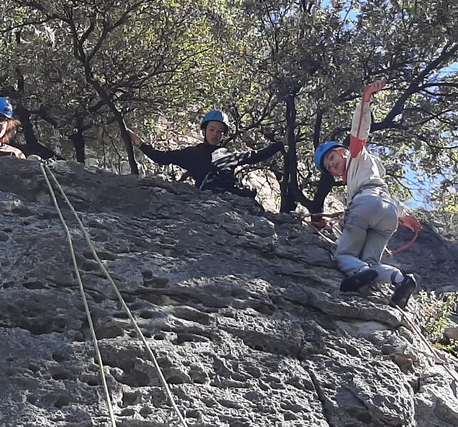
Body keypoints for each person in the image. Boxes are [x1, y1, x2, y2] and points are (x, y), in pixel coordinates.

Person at [315, 81, 418, 306]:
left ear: (342, 152)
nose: (332, 165)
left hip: (365, 205)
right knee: (372, 261)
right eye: (329, 167)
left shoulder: (356, 155)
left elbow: (359, 131)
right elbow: (382, 195)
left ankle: (359, 271)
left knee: (344, 256)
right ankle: (400, 279)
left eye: (332, 158)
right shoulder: (369, 171)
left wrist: (365, 100)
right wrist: (403, 216)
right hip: (388, 213)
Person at [126, 110, 282, 198]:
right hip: (209, 198)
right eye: (212, 130)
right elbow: (161, 157)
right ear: (204, 131)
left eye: (220, 131)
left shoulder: (230, 155)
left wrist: (281, 143)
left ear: (224, 135)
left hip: (236, 199)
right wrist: (139, 142)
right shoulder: (191, 154)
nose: (215, 134)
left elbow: (257, 155)